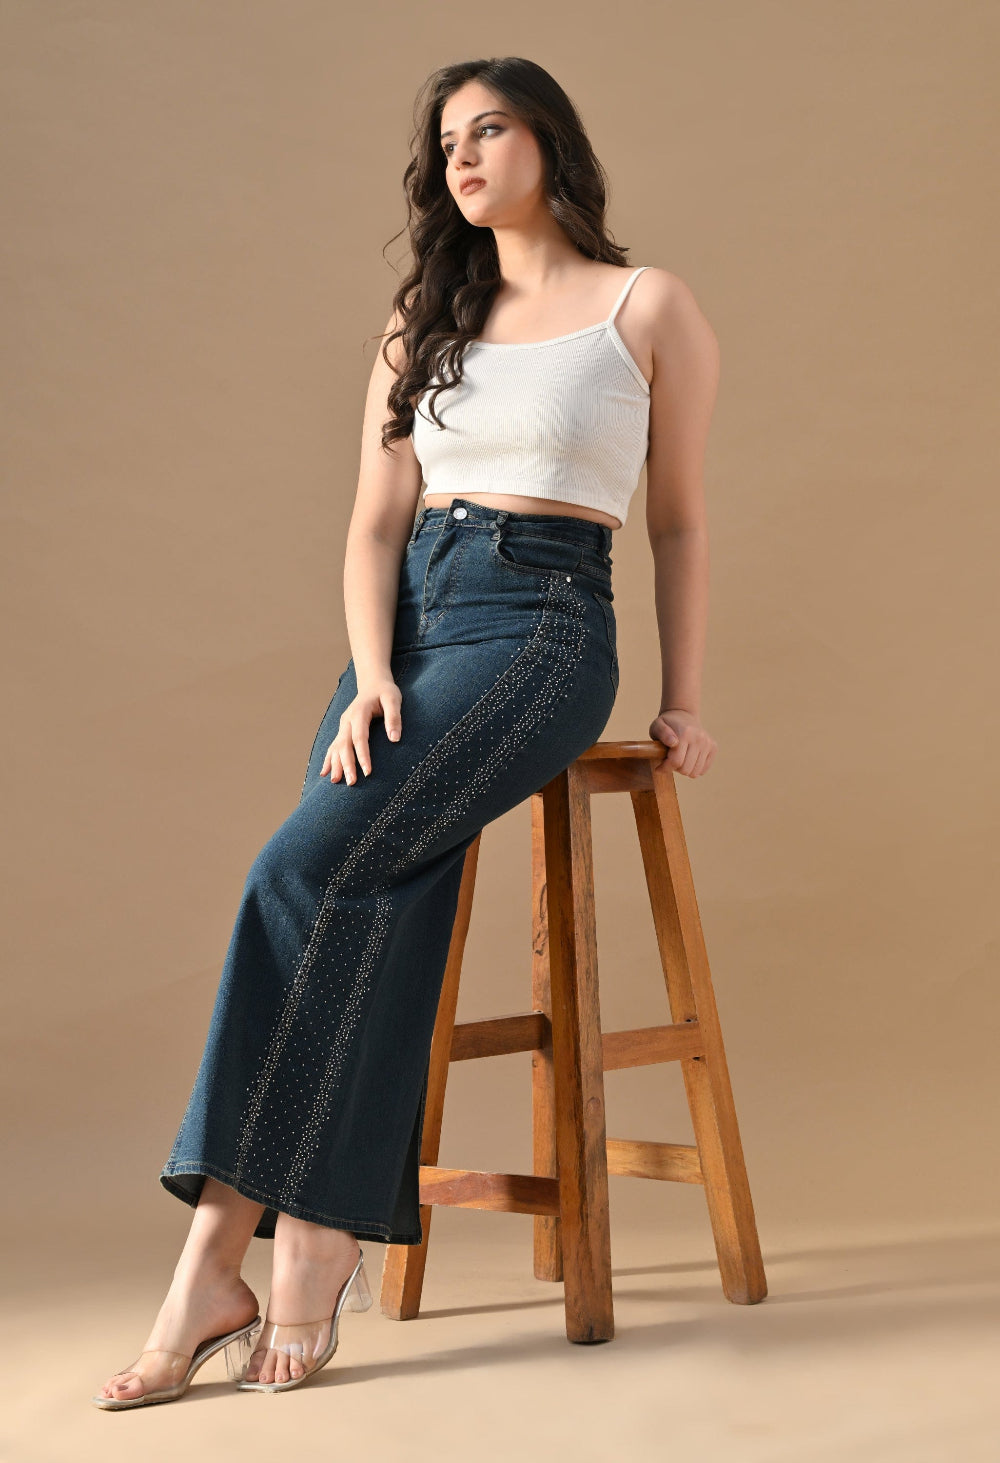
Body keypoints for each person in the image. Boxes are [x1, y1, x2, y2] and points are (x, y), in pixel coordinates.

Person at [93, 53, 720, 1408]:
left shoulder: (644, 305)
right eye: (448, 143)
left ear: (550, 140)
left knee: (297, 873)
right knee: (377, 893)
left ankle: (220, 1253)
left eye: (491, 129)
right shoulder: (422, 318)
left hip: (545, 626)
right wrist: (373, 672)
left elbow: (676, 519)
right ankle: (309, 1243)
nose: (466, 156)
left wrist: (684, 693)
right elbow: (374, 524)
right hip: (413, 634)